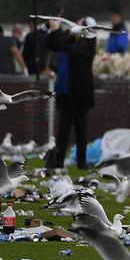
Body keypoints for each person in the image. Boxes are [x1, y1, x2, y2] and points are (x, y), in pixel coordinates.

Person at [47, 17, 97, 170]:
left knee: (81, 131)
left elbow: (65, 46)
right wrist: (54, 30)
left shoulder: (87, 46)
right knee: (63, 131)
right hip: (67, 94)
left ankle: (81, 163)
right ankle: (59, 162)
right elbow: (52, 44)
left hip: (80, 95)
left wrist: (58, 30)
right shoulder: (69, 42)